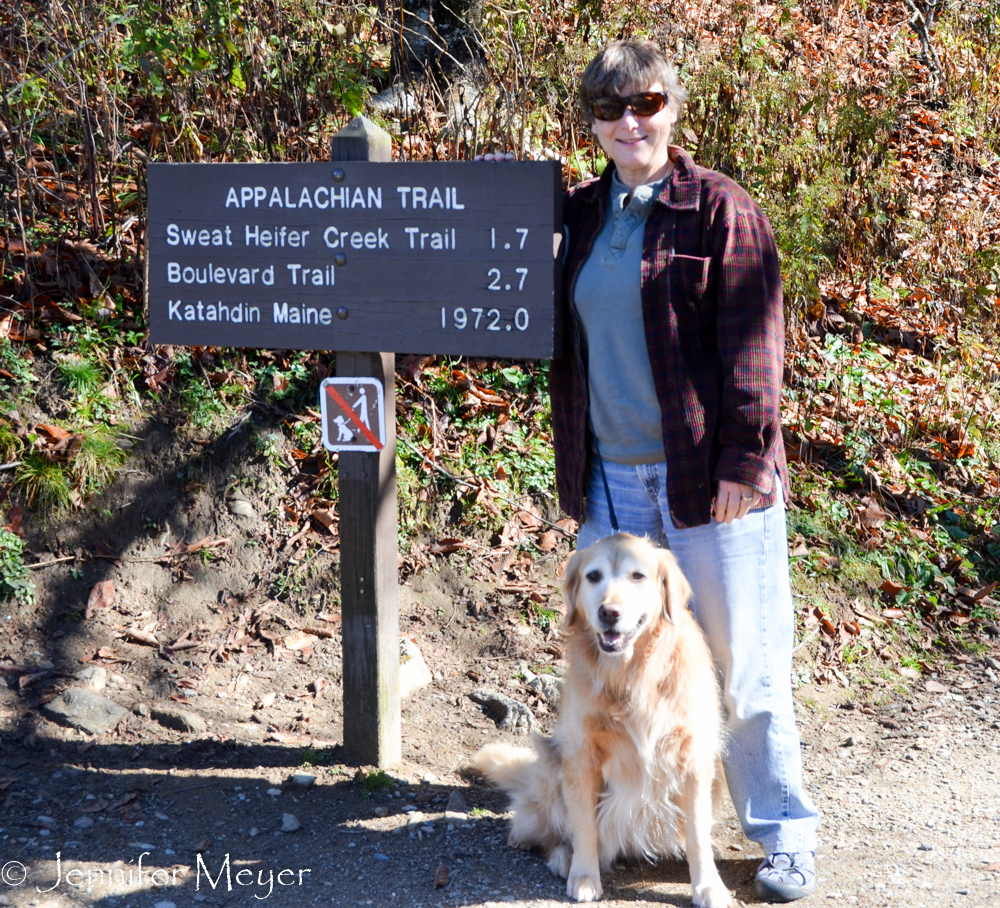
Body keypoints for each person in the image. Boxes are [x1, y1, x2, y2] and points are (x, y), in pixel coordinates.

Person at [547, 40, 821, 902]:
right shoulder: (584, 215)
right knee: (612, 660)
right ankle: (631, 818)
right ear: (592, 120)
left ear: (674, 108)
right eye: (610, 107)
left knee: (742, 667)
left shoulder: (721, 211)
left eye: (648, 103)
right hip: (613, 480)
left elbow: (756, 357)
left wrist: (746, 469)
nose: (630, 121)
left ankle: (782, 837)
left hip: (711, 480)